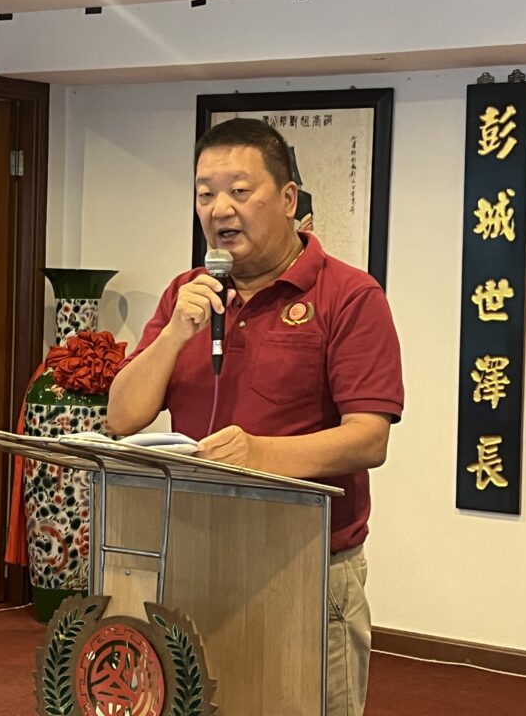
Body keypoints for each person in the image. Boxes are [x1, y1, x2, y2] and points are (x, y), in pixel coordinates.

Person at [108, 117, 404, 716]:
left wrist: (259, 456)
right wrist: (175, 333)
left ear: (288, 199)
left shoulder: (349, 296)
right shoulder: (187, 293)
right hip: (190, 556)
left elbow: (368, 439)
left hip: (304, 565)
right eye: (205, 194)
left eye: (240, 191)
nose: (220, 209)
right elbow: (122, 417)